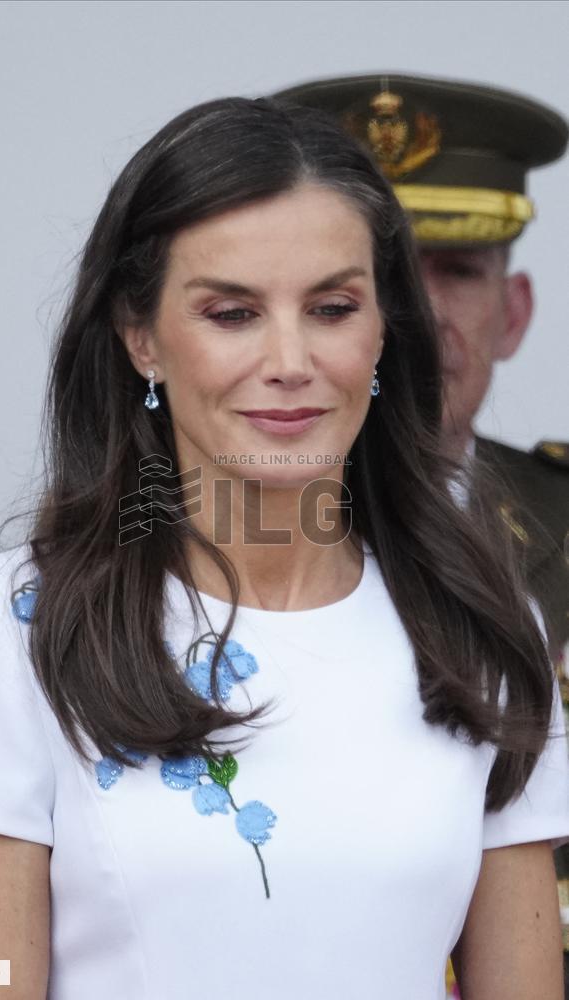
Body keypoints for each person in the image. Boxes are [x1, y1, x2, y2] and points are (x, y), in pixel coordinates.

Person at [0, 95, 567, 1000]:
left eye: (332, 307)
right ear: (141, 336)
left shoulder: (482, 621)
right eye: (232, 313)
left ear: (382, 334)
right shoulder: (22, 618)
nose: (291, 358)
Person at [270, 72, 569, 997]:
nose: (419, 312)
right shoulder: (93, 577)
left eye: (458, 270)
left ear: (513, 313)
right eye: (380, 274)